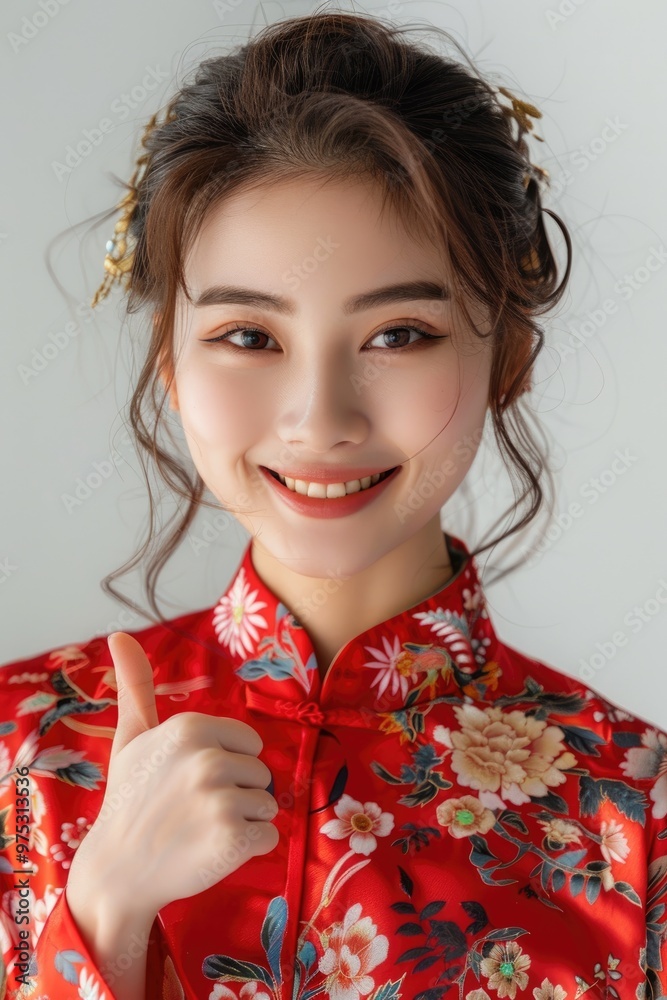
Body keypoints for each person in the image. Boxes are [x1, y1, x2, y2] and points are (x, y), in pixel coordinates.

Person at [1, 9, 665, 1000]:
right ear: (171, 365)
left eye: (399, 334)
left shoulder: (635, 821)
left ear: (508, 357)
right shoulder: (21, 755)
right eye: (248, 336)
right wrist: (102, 915)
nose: (321, 420)